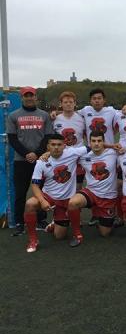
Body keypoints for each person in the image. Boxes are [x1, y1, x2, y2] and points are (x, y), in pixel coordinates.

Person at [23, 134, 87, 253]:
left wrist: (112, 146)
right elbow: (35, 185)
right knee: (30, 204)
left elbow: (93, 147)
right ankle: (33, 240)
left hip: (66, 200)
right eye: (53, 145)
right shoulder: (41, 162)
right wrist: (42, 201)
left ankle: (76, 234)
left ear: (64, 146)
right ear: (48, 146)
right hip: (49, 197)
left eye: (59, 145)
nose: (56, 147)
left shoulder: (72, 153)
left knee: (59, 236)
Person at [7, 86, 54, 235]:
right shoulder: (13, 115)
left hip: (41, 160)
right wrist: (27, 154)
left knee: (40, 192)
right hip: (21, 160)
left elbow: (47, 137)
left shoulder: (44, 115)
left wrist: (37, 153)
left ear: (35, 97)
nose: (29, 98)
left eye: (31, 95)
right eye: (26, 96)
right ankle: (20, 222)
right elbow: (12, 139)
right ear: (22, 98)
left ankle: (40, 218)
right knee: (21, 192)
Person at [68, 131, 118, 239]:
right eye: (93, 141)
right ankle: (77, 234)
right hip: (91, 192)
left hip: (108, 196)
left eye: (99, 141)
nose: (96, 143)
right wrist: (47, 154)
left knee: (105, 233)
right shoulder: (83, 156)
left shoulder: (113, 153)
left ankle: (100, 215)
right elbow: (64, 152)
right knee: (73, 203)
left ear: (104, 142)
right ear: (89, 143)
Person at [53, 91, 87, 191]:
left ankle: (76, 206)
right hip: (61, 157)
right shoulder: (55, 119)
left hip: (78, 158)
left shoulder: (82, 118)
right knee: (62, 185)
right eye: (65, 102)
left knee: (78, 187)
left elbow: (87, 136)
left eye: (71, 102)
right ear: (61, 104)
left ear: (75, 103)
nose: (68, 104)